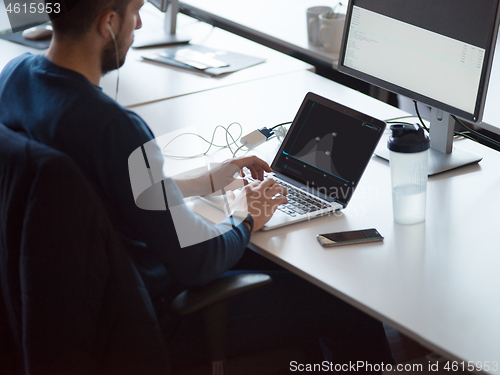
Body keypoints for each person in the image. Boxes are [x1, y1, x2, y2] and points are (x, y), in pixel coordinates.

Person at [0, 0, 396, 372]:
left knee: (281, 266)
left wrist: (211, 177)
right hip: (149, 316)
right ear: (108, 22)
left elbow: (107, 187)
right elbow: (197, 260)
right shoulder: (113, 129)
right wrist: (247, 215)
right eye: (136, 10)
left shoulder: (14, 78)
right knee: (347, 304)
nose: (139, 24)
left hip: (65, 304)